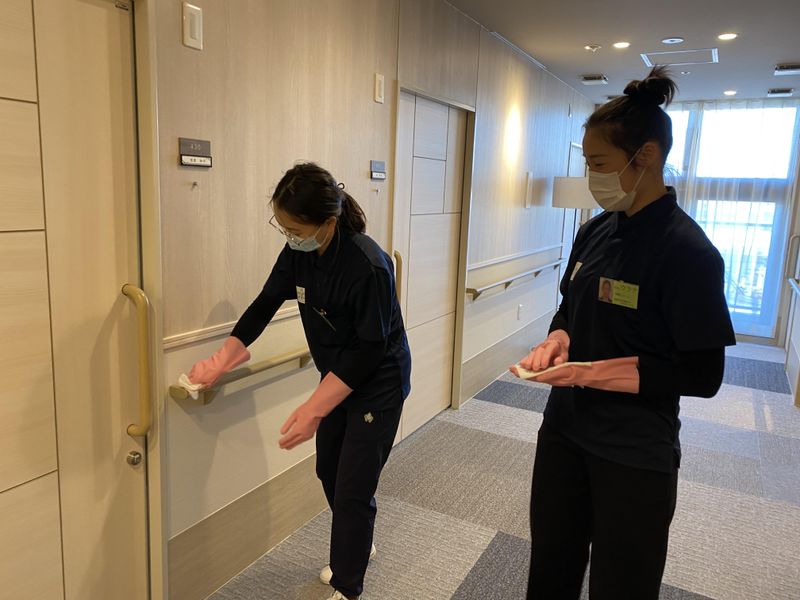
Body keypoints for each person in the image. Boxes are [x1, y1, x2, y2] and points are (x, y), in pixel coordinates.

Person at [513, 67, 736, 599]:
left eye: (599, 164)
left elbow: (703, 375)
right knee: (550, 569)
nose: (592, 177)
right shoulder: (594, 231)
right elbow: (569, 308)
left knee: (622, 585)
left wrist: (598, 373)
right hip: (564, 432)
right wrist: (558, 339)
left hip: (633, 450)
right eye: (587, 164)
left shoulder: (689, 253)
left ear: (646, 157)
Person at [184, 163, 412, 600]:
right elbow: (266, 301)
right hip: (336, 378)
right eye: (283, 228)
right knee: (329, 471)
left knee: (353, 488)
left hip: (377, 384)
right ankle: (358, 543)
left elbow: (369, 350)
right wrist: (224, 356)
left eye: (296, 229)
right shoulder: (300, 253)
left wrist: (314, 407)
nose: (290, 237)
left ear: (328, 221)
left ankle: (348, 586)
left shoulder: (368, 265)